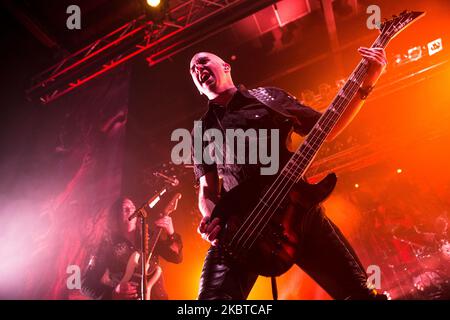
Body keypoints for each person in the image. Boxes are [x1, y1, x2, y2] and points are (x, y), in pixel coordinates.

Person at [189, 48, 388, 300]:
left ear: (226, 66)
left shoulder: (268, 97)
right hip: (241, 229)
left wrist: (368, 82)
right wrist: (213, 221)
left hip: (299, 215)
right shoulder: (201, 130)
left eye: (203, 61)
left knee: (360, 296)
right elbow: (207, 190)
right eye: (193, 70)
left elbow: (327, 127)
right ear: (197, 88)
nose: (198, 69)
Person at [81, 197, 183, 300]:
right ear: (115, 216)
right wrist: (112, 293)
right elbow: (86, 284)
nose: (130, 210)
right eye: (125, 209)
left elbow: (176, 258)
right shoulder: (108, 243)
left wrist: (171, 234)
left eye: (133, 207)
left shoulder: (149, 236)